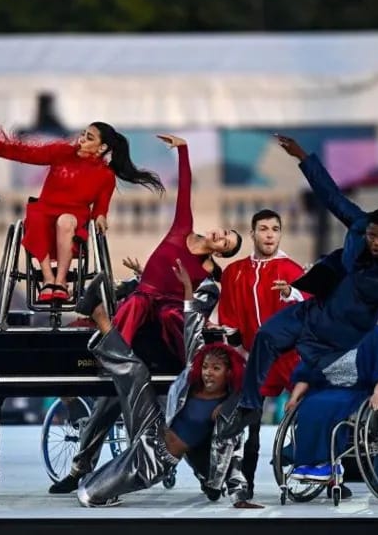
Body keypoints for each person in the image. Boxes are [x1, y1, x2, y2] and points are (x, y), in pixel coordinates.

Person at [49, 134, 243, 493]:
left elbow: (197, 317)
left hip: (164, 339)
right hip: (137, 326)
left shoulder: (207, 278)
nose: (222, 236)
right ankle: (79, 469)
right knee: (106, 406)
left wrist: (187, 290)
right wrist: (184, 150)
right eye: (226, 232)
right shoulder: (182, 228)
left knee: (173, 418)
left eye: (227, 242)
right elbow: (184, 190)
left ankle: (208, 478)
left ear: (222, 253)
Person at [219, 134, 378, 439]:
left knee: (317, 394)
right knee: (266, 335)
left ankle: (328, 459)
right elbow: (330, 195)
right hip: (315, 311)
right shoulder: (360, 224)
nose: (375, 242)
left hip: (342, 336)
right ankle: (248, 405)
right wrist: (302, 157)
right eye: (372, 235)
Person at [76, 260, 260, 509]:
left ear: (229, 374)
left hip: (155, 459)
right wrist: (186, 289)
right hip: (151, 425)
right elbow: (192, 330)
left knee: (88, 496)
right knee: (136, 372)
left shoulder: (228, 411)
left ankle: (204, 482)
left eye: (215, 369)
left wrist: (240, 498)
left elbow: (233, 456)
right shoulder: (197, 374)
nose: (207, 373)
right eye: (206, 367)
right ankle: (98, 314)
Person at [0, 116, 164, 302]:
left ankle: (60, 281)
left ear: (102, 147)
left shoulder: (105, 175)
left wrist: (101, 217)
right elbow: (26, 153)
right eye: (83, 134)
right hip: (45, 210)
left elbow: (100, 208)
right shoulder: (62, 152)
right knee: (36, 215)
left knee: (65, 221)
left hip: (74, 216)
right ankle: (48, 279)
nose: (81, 140)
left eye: (89, 138)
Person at [216, 208, 307, 496]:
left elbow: (310, 305)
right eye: (264, 228)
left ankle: (323, 471)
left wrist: (290, 293)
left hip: (291, 356)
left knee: (310, 410)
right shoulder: (233, 272)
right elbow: (229, 320)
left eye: (275, 229)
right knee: (251, 424)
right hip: (254, 357)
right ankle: (247, 484)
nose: (270, 234)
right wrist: (238, 354)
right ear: (253, 233)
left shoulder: (293, 270)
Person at [284, 326, 378, 483]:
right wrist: (294, 398)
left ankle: (327, 462)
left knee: (328, 406)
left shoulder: (375, 335)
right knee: (309, 405)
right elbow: (307, 371)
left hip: (356, 391)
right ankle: (304, 460)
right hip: (325, 389)